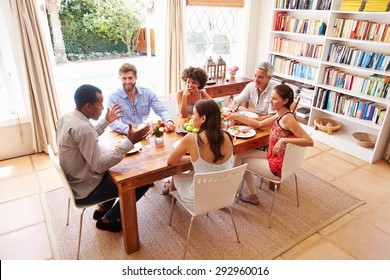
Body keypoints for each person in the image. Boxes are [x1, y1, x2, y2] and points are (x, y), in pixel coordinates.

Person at [56, 84, 151, 232]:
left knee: (116, 167)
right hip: (85, 190)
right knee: (142, 180)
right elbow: (99, 166)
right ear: (88, 106)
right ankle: (106, 220)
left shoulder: (68, 117)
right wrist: (130, 141)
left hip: (76, 180)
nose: (102, 107)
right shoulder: (83, 129)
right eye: (100, 104)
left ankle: (101, 209)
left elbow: (88, 135)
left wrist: (107, 120)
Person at [227, 84, 313, 205]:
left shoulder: (288, 119)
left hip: (277, 165)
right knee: (239, 154)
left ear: (285, 101)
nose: (270, 101)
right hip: (274, 157)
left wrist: (283, 140)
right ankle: (236, 191)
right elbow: (259, 124)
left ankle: (230, 193)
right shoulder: (280, 115)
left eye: (274, 98)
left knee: (242, 161)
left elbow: (309, 141)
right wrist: (238, 117)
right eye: (271, 97)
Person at [165, 99, 234, 210]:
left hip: (197, 201)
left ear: (203, 118)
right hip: (223, 196)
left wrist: (194, 157)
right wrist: (195, 159)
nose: (191, 117)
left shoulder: (192, 138)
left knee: (175, 175)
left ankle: (171, 196)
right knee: (198, 171)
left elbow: (171, 162)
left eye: (193, 114)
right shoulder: (228, 136)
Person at [107, 63, 176, 134]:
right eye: (124, 78)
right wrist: (129, 130)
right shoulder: (113, 98)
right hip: (124, 134)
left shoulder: (148, 93)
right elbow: (112, 122)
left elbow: (161, 110)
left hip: (144, 132)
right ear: (120, 78)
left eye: (130, 78)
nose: (127, 82)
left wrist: (169, 121)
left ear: (136, 77)